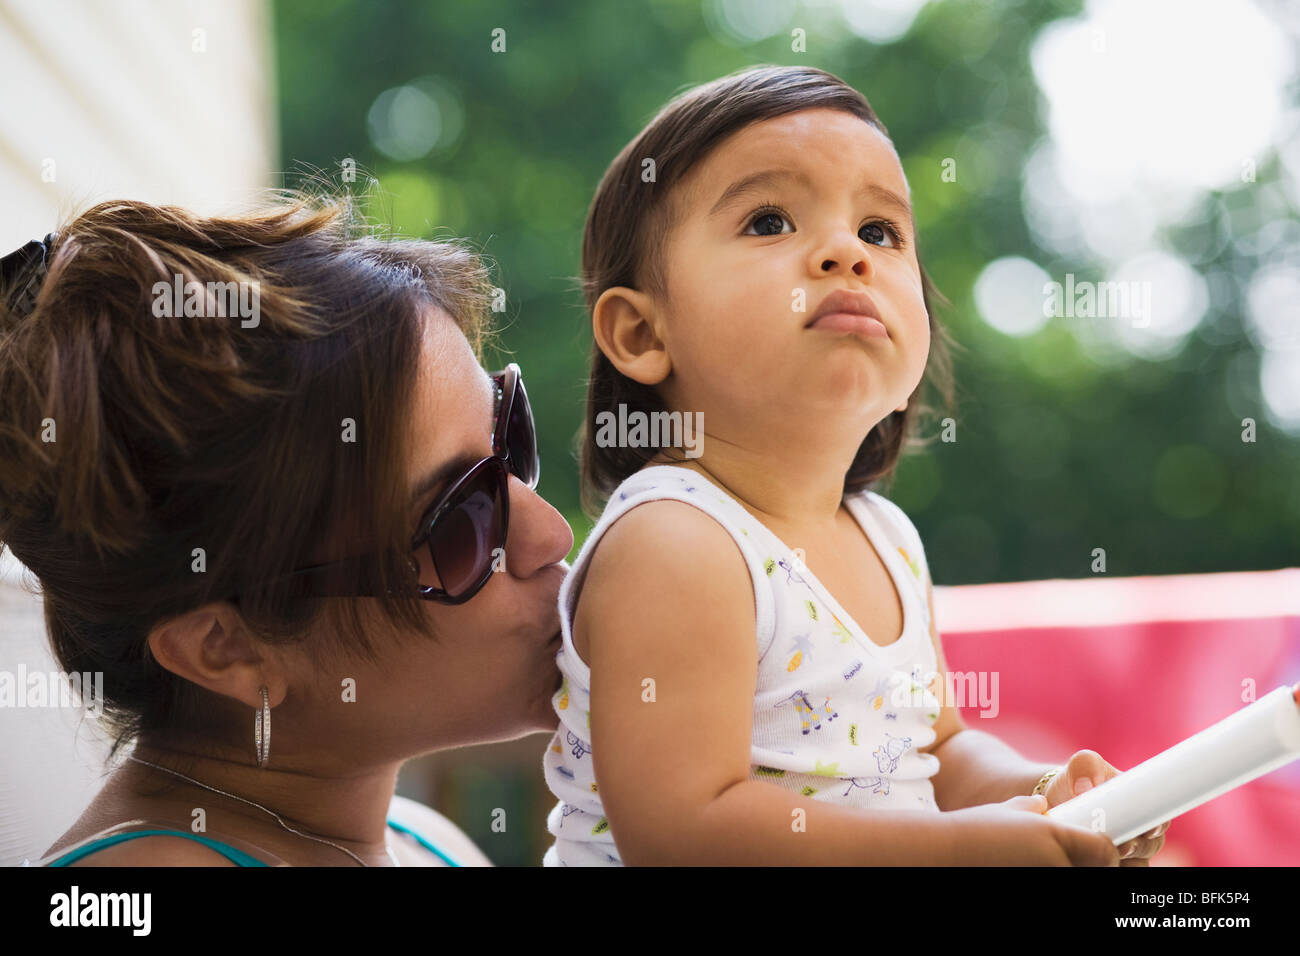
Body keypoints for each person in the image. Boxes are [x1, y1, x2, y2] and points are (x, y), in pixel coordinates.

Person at [541, 65, 1170, 866]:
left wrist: (1046, 796)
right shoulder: (676, 542)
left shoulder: (888, 537)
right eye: (770, 221)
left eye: (880, 232)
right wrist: (955, 853)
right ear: (640, 334)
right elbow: (684, 833)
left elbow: (940, 754)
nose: (846, 252)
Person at [0, 193, 573, 865]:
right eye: (461, 521)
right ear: (225, 647)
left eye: (512, 441)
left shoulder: (420, 840)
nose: (552, 535)